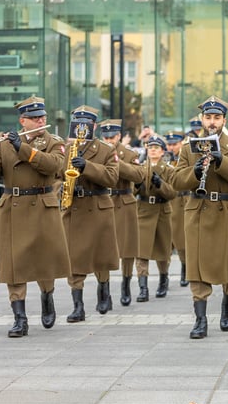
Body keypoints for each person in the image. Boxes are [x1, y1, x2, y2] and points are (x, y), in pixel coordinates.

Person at [0, 96, 70, 337]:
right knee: (14, 265)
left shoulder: (54, 141)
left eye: (42, 116)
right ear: (23, 121)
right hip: (13, 206)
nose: (40, 120)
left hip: (41, 204)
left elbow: (54, 166)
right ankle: (19, 317)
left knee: (44, 260)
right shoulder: (5, 143)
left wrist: (23, 148)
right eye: (34, 117)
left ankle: (47, 295)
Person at [169, 96, 228, 339]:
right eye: (208, 118)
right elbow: (175, 181)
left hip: (225, 210)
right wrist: (193, 173)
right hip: (198, 210)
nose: (212, 122)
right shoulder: (188, 148)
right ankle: (200, 319)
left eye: (217, 118)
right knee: (196, 266)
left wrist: (222, 160)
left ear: (224, 120)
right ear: (202, 120)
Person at [61, 106, 121, 322]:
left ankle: (103, 290)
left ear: (94, 126)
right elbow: (57, 175)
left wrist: (87, 166)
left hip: (97, 206)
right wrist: (62, 186)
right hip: (74, 208)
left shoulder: (106, 150)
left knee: (100, 256)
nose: (82, 127)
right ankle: (78, 306)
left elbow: (112, 178)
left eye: (86, 123)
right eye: (78, 123)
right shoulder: (67, 149)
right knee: (73, 260)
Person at [99, 119, 143, 306]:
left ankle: (126, 283)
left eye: (113, 136)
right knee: (102, 248)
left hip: (124, 201)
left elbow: (139, 175)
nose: (109, 140)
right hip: (105, 201)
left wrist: (116, 162)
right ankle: (105, 290)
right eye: (106, 137)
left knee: (127, 249)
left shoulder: (128, 153)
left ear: (119, 136)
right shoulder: (97, 152)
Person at [134, 135, 176, 301]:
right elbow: (132, 191)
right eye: (150, 147)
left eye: (156, 147)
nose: (152, 150)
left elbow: (173, 193)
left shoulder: (169, 170)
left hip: (162, 210)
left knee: (163, 251)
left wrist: (160, 184)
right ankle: (143, 288)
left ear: (163, 151)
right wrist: (137, 184)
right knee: (141, 251)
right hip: (144, 210)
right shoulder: (140, 168)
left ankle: (163, 280)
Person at [164, 132, 189, 286]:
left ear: (181, 144)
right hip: (167, 201)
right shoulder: (164, 157)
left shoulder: (184, 157)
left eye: (175, 144)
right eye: (170, 144)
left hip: (182, 200)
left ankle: (185, 267)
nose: (172, 147)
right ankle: (163, 274)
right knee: (166, 241)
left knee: (181, 238)